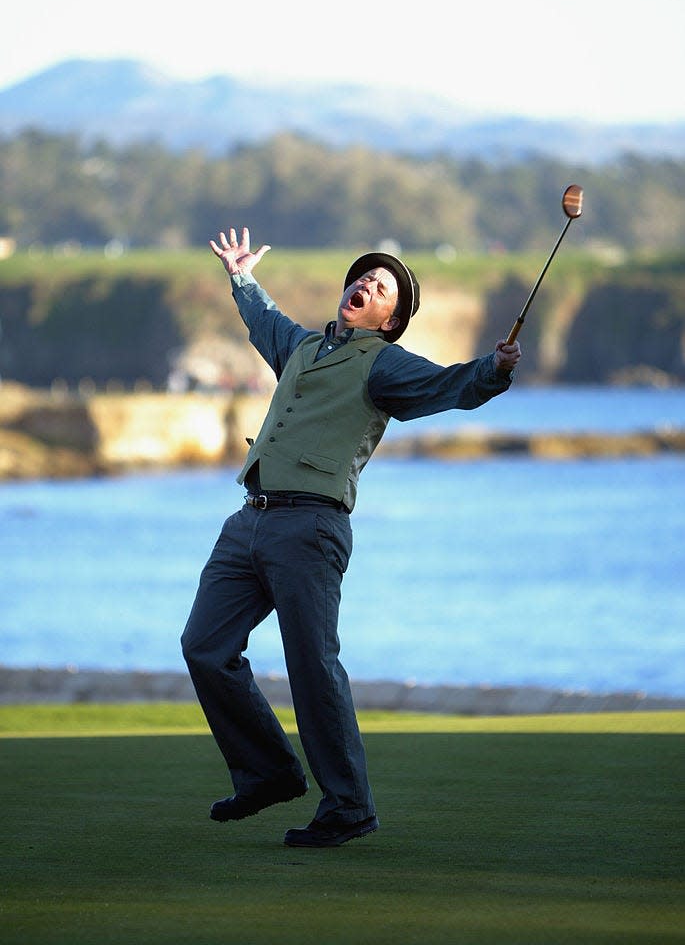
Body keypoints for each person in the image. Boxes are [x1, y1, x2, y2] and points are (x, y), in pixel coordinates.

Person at [181, 226, 521, 848]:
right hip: (248, 520)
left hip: (311, 527)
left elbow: (453, 385)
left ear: (391, 319)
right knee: (204, 648)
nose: (364, 282)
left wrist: (493, 371)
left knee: (312, 668)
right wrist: (240, 276)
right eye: (361, 276)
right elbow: (266, 321)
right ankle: (268, 774)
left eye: (381, 285)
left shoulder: (385, 365)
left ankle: (349, 807)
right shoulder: (302, 349)